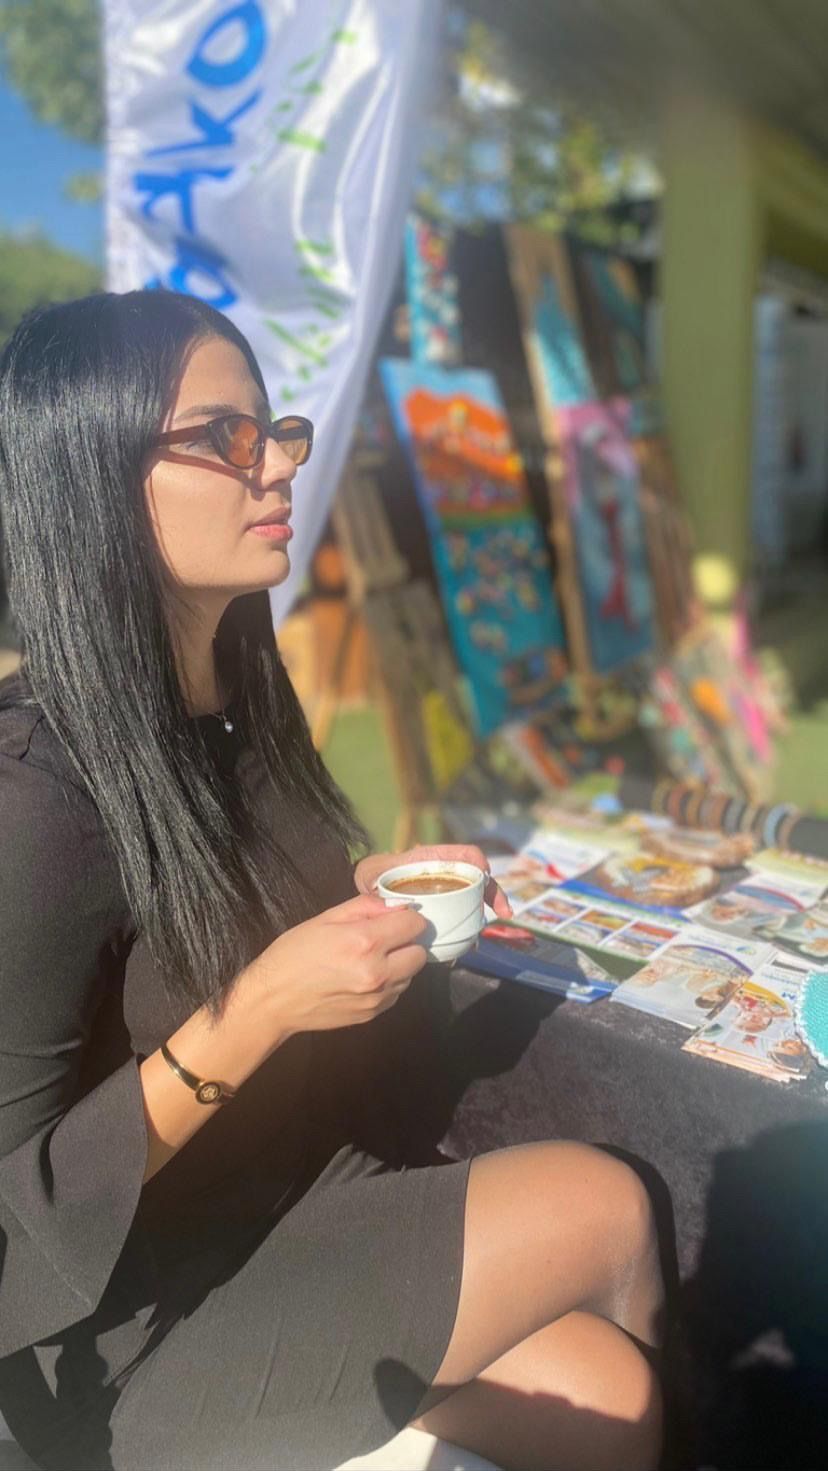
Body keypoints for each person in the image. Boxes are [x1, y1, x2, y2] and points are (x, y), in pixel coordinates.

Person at [0, 292, 663, 1471]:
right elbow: (16, 1213)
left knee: (608, 1389)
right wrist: (257, 1009)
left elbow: (217, 891)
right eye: (225, 437)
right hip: (125, 1320)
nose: (279, 466)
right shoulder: (35, 799)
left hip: (287, 1184)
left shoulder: (236, 687)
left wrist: (368, 884)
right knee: (602, 1207)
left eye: (275, 430)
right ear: (90, 474)